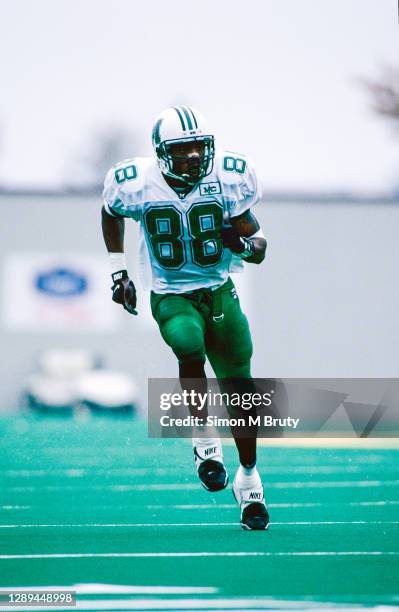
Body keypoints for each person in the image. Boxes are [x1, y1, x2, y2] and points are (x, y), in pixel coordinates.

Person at [101, 106, 269, 530]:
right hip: (172, 294)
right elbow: (110, 212)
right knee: (187, 342)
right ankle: (204, 439)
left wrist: (244, 245)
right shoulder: (136, 185)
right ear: (161, 153)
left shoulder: (228, 180)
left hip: (219, 292)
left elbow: (260, 245)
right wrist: (119, 271)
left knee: (241, 391)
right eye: (184, 149)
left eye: (199, 147)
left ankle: (249, 478)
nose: (195, 156)